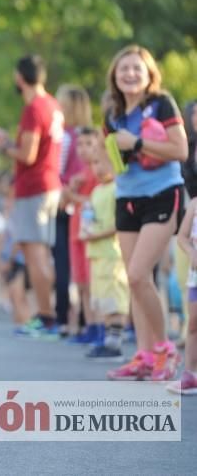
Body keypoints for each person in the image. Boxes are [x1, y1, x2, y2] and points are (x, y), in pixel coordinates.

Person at [103, 45, 187, 381]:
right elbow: (115, 158)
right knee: (136, 282)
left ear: (150, 73)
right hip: (127, 198)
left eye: (137, 68)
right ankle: (143, 356)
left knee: (139, 275)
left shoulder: (162, 102)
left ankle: (165, 349)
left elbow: (180, 149)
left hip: (162, 195)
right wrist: (111, 154)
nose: (130, 74)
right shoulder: (112, 111)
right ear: (115, 75)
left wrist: (136, 143)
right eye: (123, 68)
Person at [0, 55, 63, 338]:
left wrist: (2, 144)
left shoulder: (33, 108)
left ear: (20, 77)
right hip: (49, 184)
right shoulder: (53, 105)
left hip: (35, 187)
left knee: (36, 254)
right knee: (39, 253)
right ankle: (50, 314)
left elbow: (27, 155)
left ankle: (46, 317)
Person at [81, 143, 130, 361]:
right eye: (94, 163)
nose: (98, 168)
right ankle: (105, 339)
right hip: (97, 254)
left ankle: (115, 344)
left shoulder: (117, 189)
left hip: (112, 253)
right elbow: (90, 218)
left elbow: (119, 224)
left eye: (102, 162)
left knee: (114, 298)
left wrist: (97, 235)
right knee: (101, 298)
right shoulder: (96, 190)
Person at [52, 84, 92, 336]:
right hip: (85, 203)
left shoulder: (65, 136)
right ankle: (85, 320)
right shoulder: (88, 135)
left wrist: (61, 192)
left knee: (63, 264)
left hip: (66, 202)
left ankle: (63, 318)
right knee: (83, 264)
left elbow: (55, 170)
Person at [67, 127, 101, 345]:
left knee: (93, 283)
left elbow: (94, 203)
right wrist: (70, 190)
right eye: (79, 144)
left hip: (93, 234)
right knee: (80, 283)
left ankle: (99, 327)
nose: (83, 149)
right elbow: (66, 202)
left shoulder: (100, 172)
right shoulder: (79, 175)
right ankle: (88, 325)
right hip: (76, 232)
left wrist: (72, 194)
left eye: (89, 144)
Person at [170, 193, 197, 394]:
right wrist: (191, 252)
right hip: (195, 277)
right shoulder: (195, 203)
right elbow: (182, 237)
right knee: (194, 323)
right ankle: (190, 374)